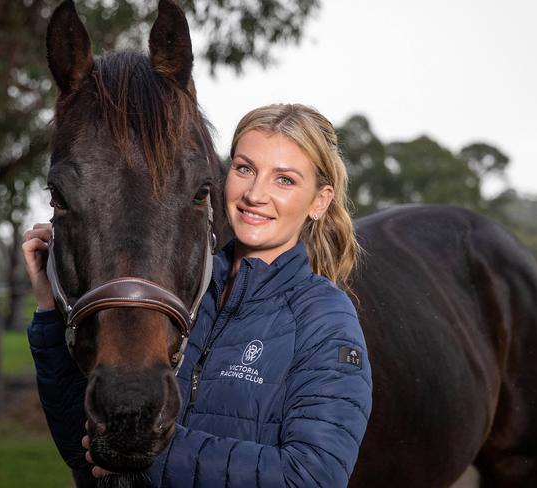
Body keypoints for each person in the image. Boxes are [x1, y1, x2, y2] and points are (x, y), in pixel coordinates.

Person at [23, 103, 373, 487]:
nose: (255, 194)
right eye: (245, 169)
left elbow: (313, 477)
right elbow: (85, 448)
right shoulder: (180, 298)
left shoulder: (325, 318)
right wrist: (47, 308)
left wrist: (145, 449)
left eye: (284, 180)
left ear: (319, 201)